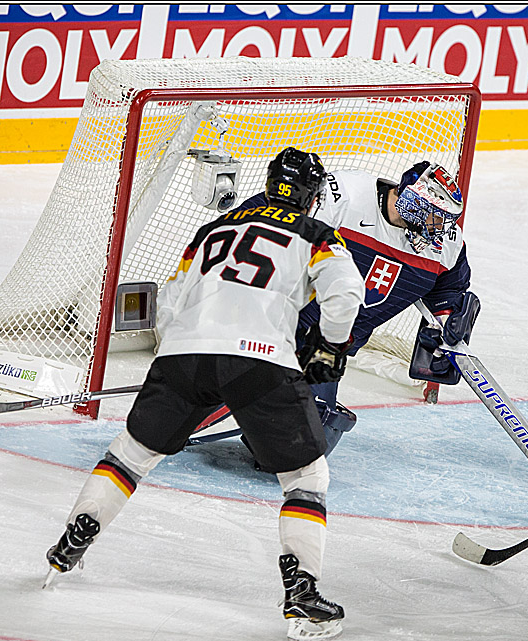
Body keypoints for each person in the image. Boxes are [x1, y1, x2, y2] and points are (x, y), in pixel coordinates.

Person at [43, 148, 366, 641]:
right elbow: (345, 293)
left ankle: (73, 540)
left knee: (131, 455)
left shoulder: (213, 229)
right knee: (305, 476)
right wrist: (330, 347)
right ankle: (302, 593)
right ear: (311, 195)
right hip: (260, 360)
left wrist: (181, 355)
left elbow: (170, 301)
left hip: (182, 355)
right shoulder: (317, 233)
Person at [192, 159, 481, 456]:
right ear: (411, 202)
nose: (440, 227)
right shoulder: (343, 196)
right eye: (435, 215)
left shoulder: (445, 245)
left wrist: (447, 321)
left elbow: (449, 288)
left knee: (300, 444)